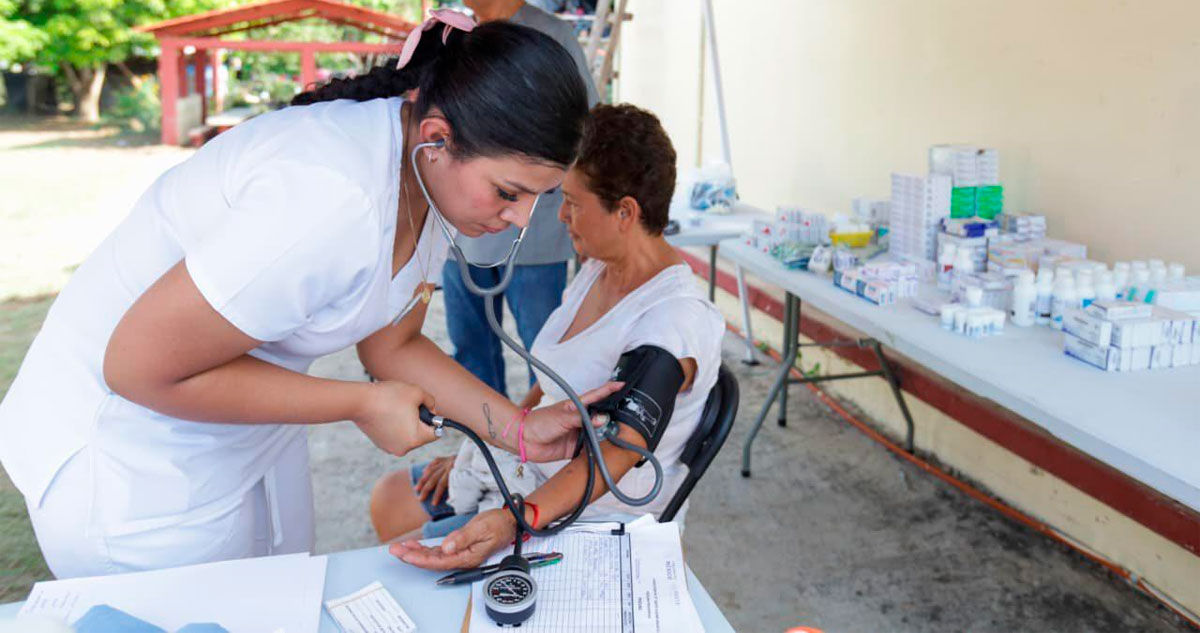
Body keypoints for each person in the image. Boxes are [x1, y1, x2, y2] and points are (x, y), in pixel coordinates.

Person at [0, 12, 615, 579]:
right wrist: (358, 404)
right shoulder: (327, 200)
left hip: (241, 434)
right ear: (437, 136)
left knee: (280, 600)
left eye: (540, 196)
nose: (520, 220)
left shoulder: (429, 180)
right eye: (509, 192)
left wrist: (522, 432)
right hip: (131, 458)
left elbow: (393, 343)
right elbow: (137, 368)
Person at [372, 105, 726, 571]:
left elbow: (618, 450)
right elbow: (553, 382)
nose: (560, 216)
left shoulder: (672, 324)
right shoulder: (600, 269)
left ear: (625, 212)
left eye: (573, 203)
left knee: (397, 565)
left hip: (585, 513)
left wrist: (513, 519)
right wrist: (495, 443)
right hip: (531, 470)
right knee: (388, 499)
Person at [442, 0, 600, 399]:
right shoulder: (454, 34)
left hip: (532, 231)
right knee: (469, 351)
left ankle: (541, 454)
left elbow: (586, 127)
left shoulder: (552, 35)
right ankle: (481, 448)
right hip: (462, 229)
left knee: (545, 355)